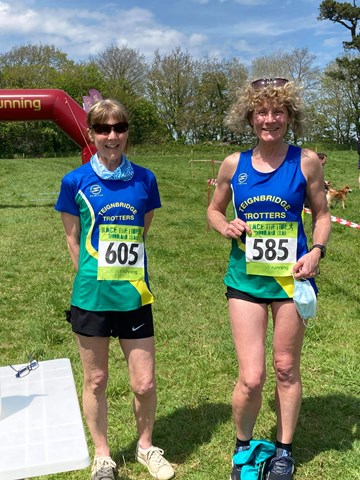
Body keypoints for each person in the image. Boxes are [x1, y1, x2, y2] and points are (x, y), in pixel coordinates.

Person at [207, 78, 331, 480]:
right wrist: (225, 225)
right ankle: (242, 445)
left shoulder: (306, 161)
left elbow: (323, 214)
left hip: (291, 280)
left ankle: (283, 450)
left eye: (279, 112)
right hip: (244, 280)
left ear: (290, 117)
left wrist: (316, 251)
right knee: (252, 375)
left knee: (285, 368)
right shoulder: (233, 164)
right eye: (262, 112)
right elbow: (213, 210)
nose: (270, 119)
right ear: (250, 117)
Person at [55, 99, 174, 480]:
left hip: (134, 295)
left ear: (127, 133)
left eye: (118, 128)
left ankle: (145, 446)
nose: (111, 136)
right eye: (103, 129)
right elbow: (73, 240)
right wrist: (92, 276)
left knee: (144, 382)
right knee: (96, 379)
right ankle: (103, 456)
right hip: (91, 297)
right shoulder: (74, 182)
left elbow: (143, 230)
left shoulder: (146, 179)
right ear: (91, 133)